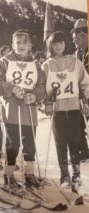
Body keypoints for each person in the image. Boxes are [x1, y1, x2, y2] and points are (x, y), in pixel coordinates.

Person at [0, 29, 46, 189]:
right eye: (18, 42)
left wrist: (35, 95)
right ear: (12, 44)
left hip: (29, 110)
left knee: (30, 143)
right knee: (13, 143)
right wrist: (11, 88)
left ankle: (29, 174)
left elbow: (42, 84)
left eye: (24, 42)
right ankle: (9, 176)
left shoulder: (35, 63)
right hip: (11, 110)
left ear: (30, 44)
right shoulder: (4, 61)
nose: (21, 45)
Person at [42, 31, 89, 191]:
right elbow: (43, 87)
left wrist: (86, 101)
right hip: (58, 110)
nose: (59, 46)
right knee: (60, 143)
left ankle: (76, 176)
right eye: (55, 44)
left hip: (74, 109)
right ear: (50, 46)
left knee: (75, 143)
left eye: (61, 43)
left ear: (65, 43)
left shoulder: (74, 62)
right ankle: (64, 177)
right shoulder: (47, 65)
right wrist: (46, 103)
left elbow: (84, 82)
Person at [71, 19, 89, 161]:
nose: (74, 40)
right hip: (82, 93)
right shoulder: (76, 54)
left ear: (85, 35)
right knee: (80, 121)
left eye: (76, 37)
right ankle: (84, 150)